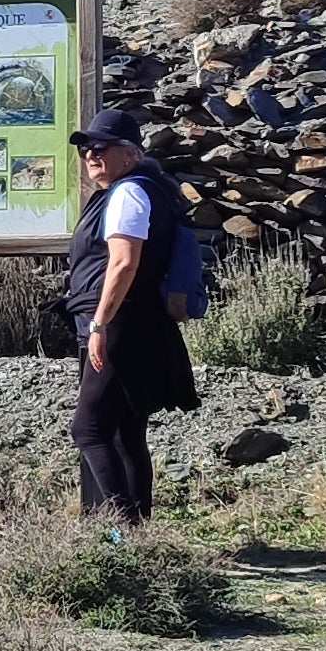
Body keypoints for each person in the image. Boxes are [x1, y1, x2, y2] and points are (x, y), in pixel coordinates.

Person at [63, 108, 199, 523]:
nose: (91, 154)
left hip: (119, 324)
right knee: (125, 433)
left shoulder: (128, 194)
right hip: (135, 323)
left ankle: (124, 527)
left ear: (130, 154)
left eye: (101, 147)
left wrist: (100, 324)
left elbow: (123, 264)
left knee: (88, 429)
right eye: (86, 148)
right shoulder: (141, 190)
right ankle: (138, 532)